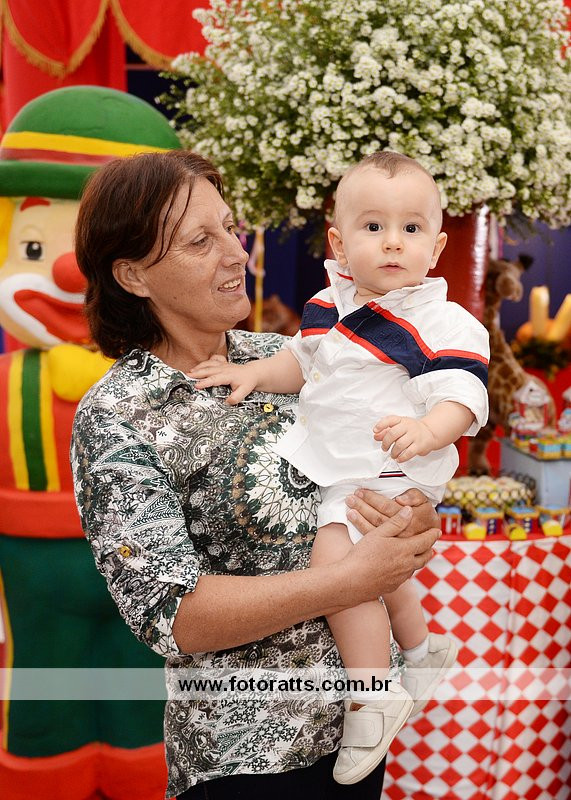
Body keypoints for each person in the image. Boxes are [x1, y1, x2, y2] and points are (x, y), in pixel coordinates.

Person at [70, 149, 442, 800]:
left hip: (355, 735)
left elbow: (376, 466)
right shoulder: (118, 414)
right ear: (133, 275)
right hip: (244, 757)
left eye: (230, 228)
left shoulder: (285, 357)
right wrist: (348, 581)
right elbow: (171, 614)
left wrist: (408, 516)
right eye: (200, 242)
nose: (236, 253)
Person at [190, 151, 490, 785]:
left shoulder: (439, 320)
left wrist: (428, 429)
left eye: (411, 229)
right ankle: (421, 647)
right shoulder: (329, 305)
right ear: (338, 242)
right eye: (373, 226)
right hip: (342, 465)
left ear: (437, 247)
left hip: (388, 464)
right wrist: (252, 372)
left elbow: (464, 394)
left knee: (337, 559)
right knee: (373, 562)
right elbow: (303, 363)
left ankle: (371, 697)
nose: (392, 242)